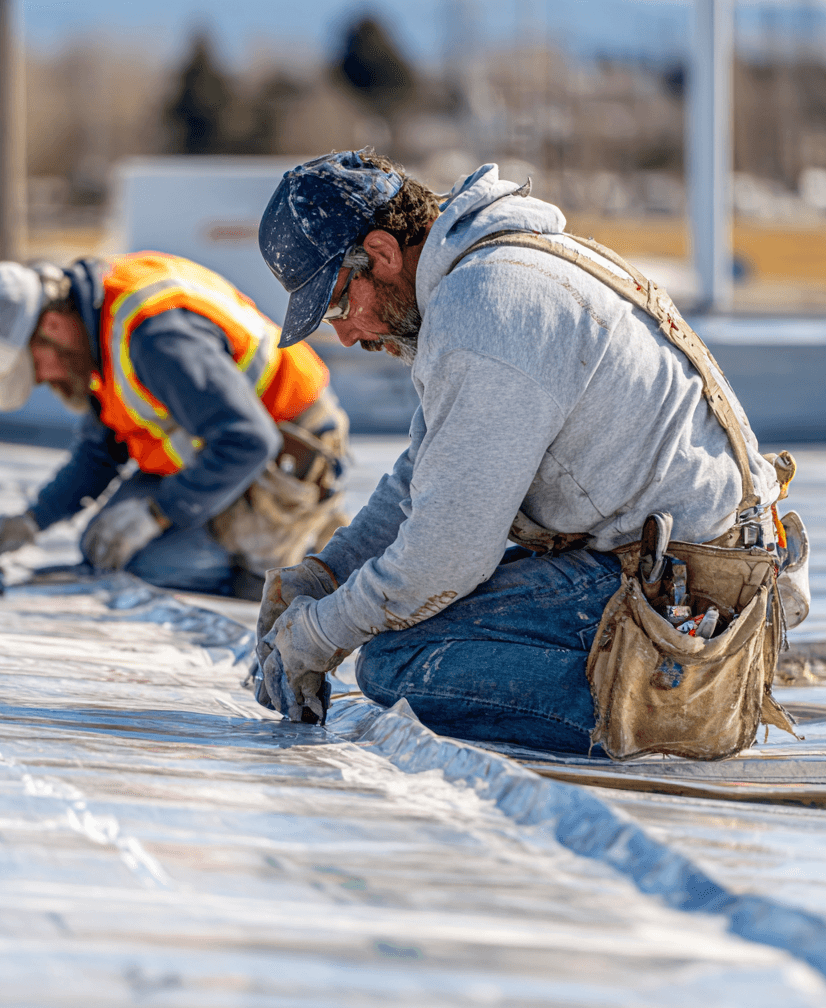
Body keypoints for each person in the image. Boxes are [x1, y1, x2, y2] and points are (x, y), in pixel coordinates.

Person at [252, 149, 788, 751]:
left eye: (338, 307)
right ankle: (669, 684)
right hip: (667, 558)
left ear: (380, 254)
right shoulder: (483, 278)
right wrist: (324, 576)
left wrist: (318, 636)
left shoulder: (486, 305)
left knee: (398, 661)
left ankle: (679, 702)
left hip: (691, 585)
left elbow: (445, 557)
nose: (346, 335)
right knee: (397, 627)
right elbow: (419, 483)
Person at [0, 253, 349, 597]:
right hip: (225, 453)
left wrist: (155, 515)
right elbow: (99, 452)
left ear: (51, 327)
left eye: (34, 367)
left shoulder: (154, 337)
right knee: (103, 545)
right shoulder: (94, 327)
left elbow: (248, 440)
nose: (42, 380)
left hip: (288, 453)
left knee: (149, 566)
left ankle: (296, 556)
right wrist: (31, 521)